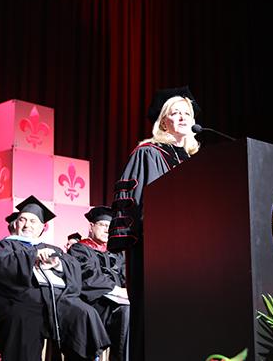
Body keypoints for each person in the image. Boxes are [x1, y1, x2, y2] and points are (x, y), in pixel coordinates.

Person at [107, 85, 200, 359]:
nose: (183, 117)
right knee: (156, 327)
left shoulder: (197, 163)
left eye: (188, 113)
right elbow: (133, 207)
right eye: (175, 113)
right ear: (163, 120)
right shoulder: (148, 153)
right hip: (158, 258)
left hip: (194, 260)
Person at [0, 195, 110, 361]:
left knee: (83, 313)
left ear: (43, 227)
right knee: (24, 317)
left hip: (56, 300)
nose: (27, 225)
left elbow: (74, 269)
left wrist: (57, 265)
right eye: (22, 220)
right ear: (15, 224)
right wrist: (33, 257)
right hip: (20, 299)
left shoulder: (52, 248)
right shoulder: (5, 245)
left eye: (33, 221)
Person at [68, 206, 129, 361]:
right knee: (126, 311)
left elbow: (125, 275)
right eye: (103, 225)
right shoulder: (80, 249)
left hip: (118, 302)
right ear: (91, 226)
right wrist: (119, 291)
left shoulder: (116, 252)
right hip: (96, 303)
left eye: (110, 227)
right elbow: (88, 277)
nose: (107, 230)